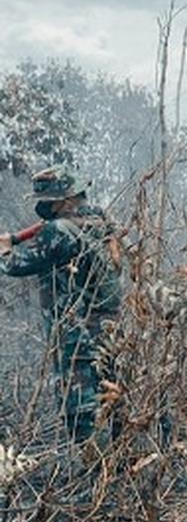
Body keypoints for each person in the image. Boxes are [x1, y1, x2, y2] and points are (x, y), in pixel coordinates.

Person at [0, 165, 121, 450]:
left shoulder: (59, 231)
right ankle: (116, 471)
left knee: (82, 412)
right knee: (110, 400)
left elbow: (14, 266)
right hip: (107, 332)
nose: (44, 206)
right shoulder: (99, 221)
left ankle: (97, 477)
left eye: (49, 200)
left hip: (76, 338)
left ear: (65, 199)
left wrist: (5, 247)